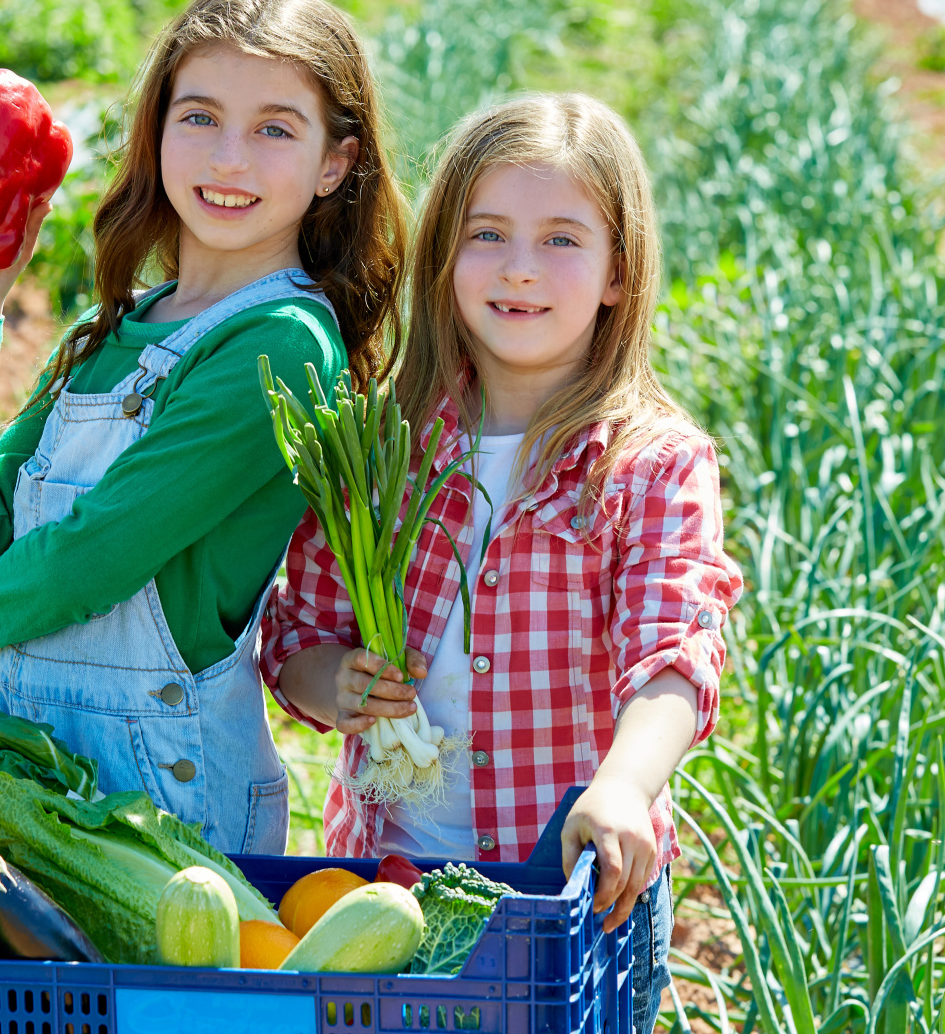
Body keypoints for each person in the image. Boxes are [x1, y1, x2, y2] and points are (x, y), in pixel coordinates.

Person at [265, 92, 743, 1029]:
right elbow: (300, 633)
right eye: (488, 234)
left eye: (563, 239)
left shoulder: (649, 463)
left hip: (564, 901)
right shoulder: (384, 441)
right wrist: (337, 683)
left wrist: (625, 784)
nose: (521, 269)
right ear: (445, 257)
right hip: (386, 889)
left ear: (618, 272)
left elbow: (675, 657)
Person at [0, 0, 405, 855]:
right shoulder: (112, 330)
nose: (228, 159)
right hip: (37, 785)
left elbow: (98, 554)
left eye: (274, 129)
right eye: (200, 117)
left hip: (174, 798)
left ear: (337, 163)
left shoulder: (282, 348)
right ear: (159, 129)